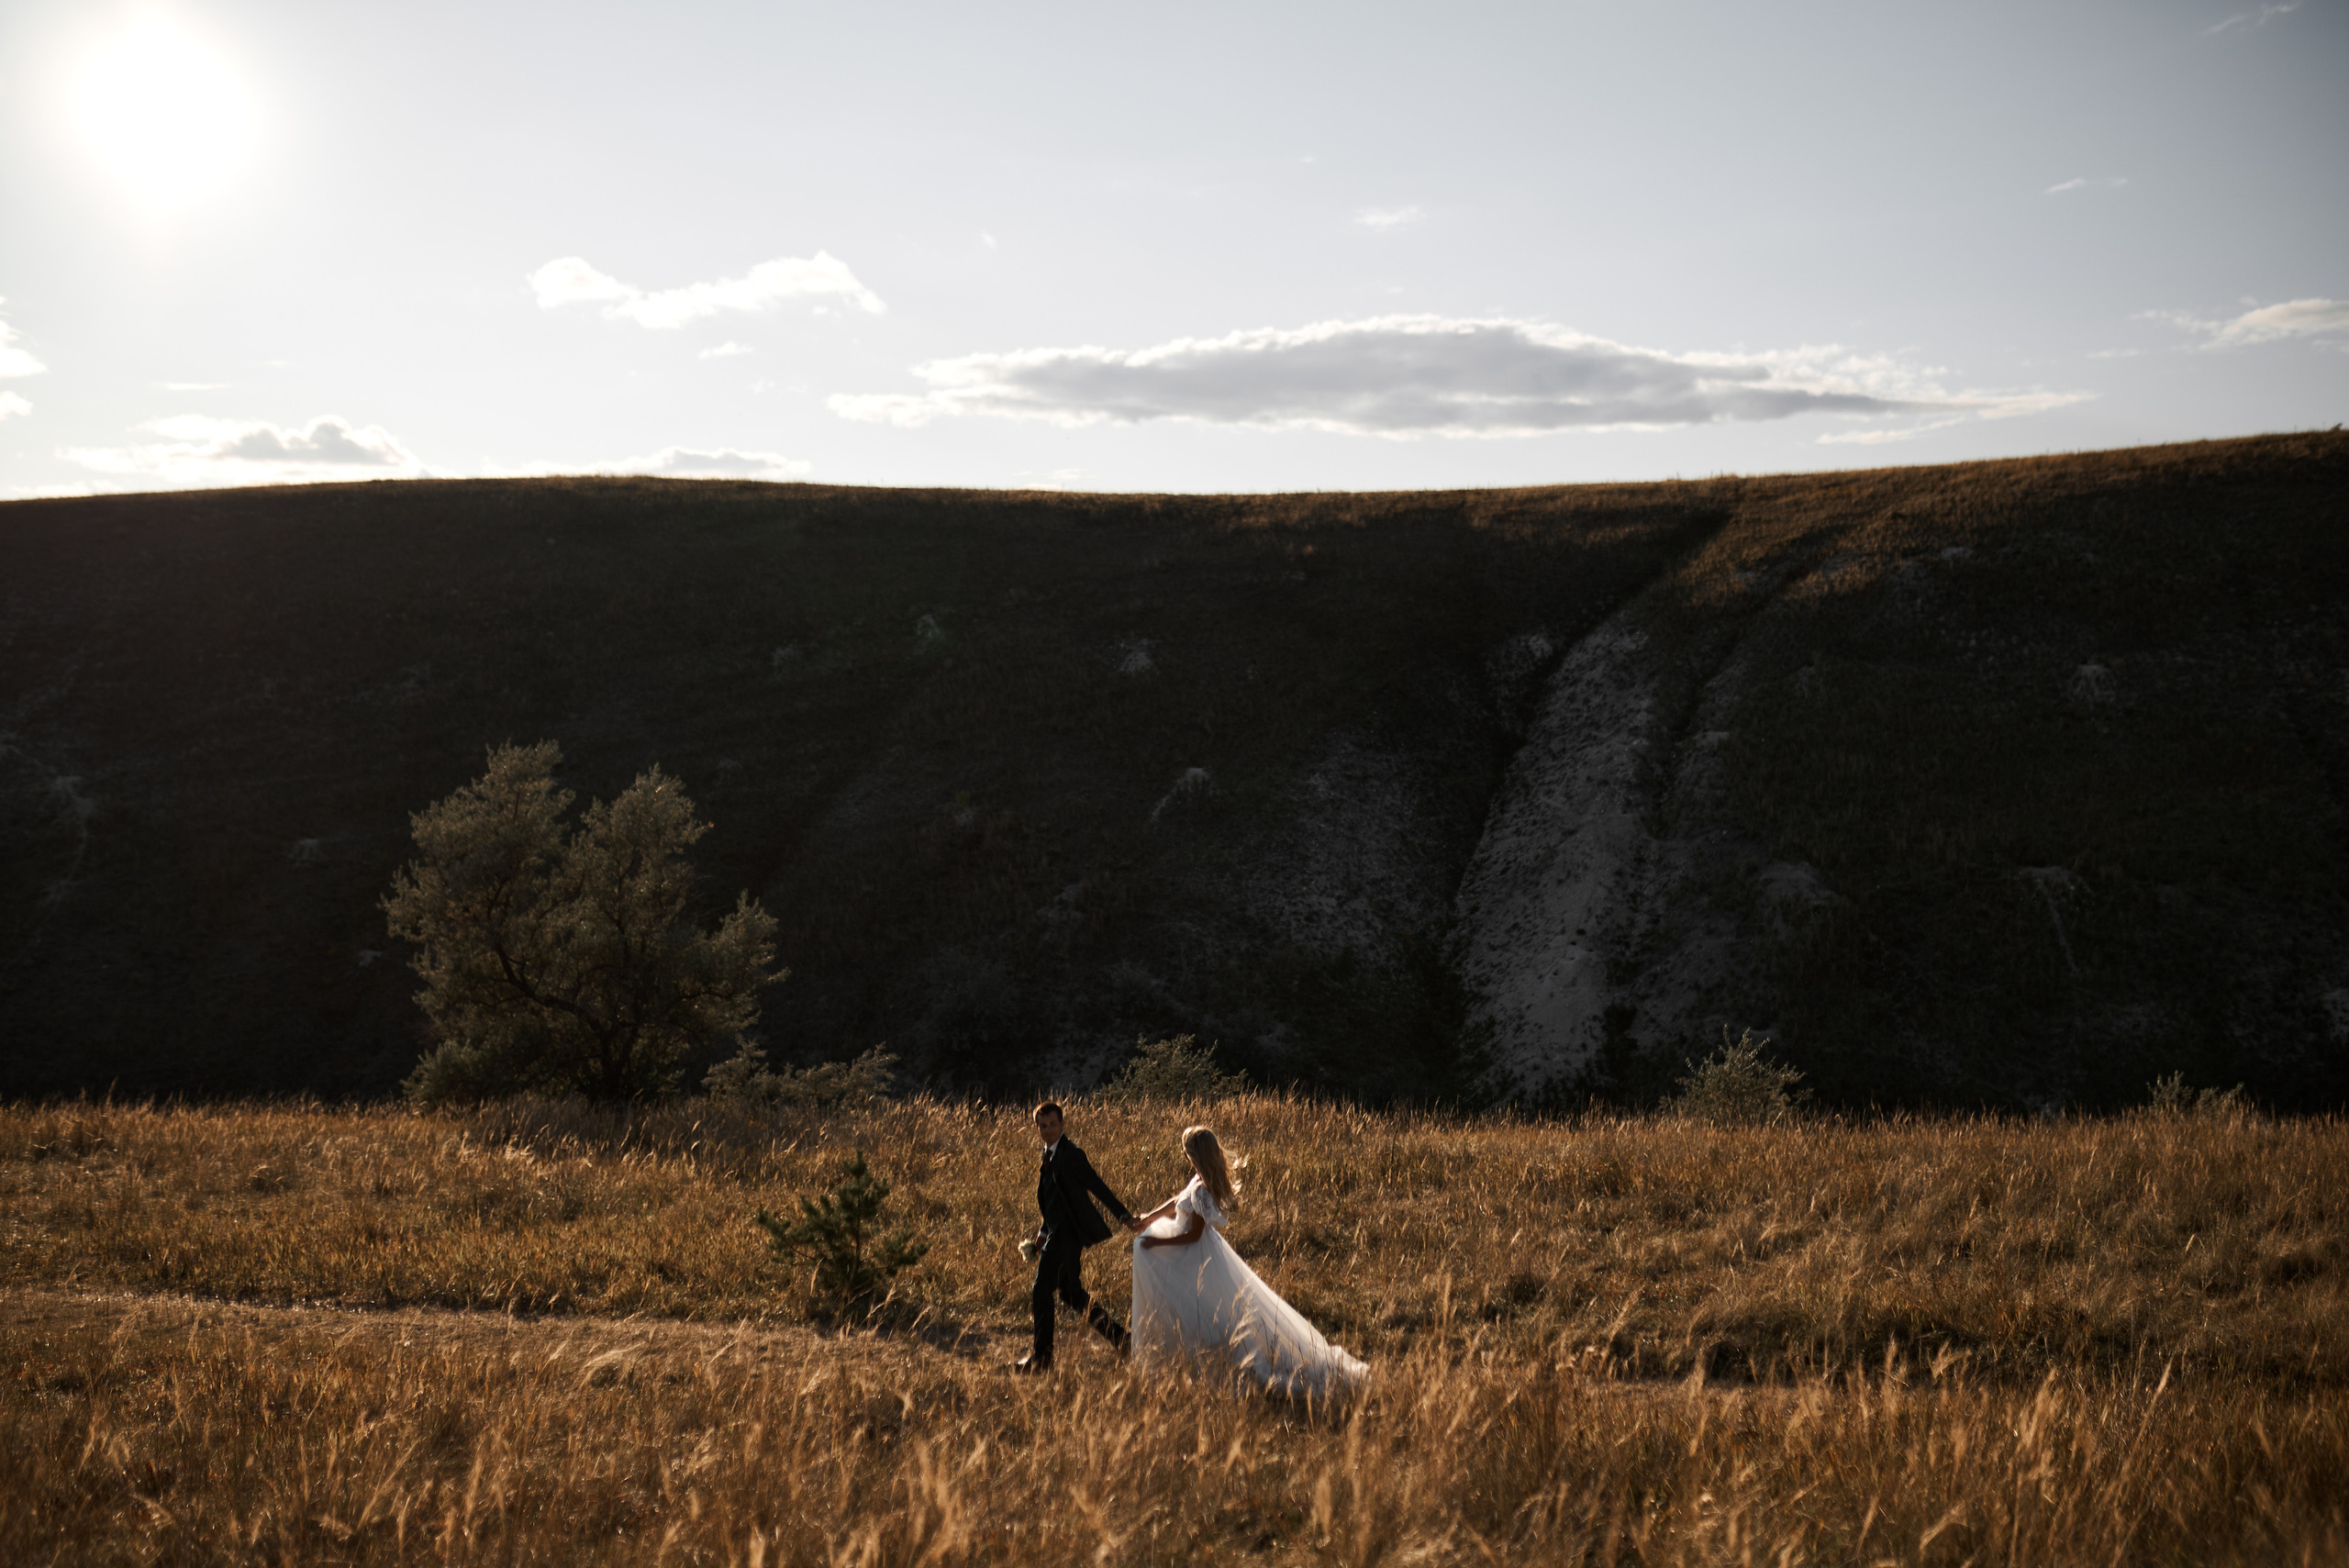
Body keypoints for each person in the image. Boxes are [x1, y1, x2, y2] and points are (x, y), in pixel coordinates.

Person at [1130, 1125, 1369, 1397]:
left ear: (1193, 1155)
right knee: (1195, 1308)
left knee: (1208, 1312)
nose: (1184, 1156)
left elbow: (1193, 1235)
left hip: (1194, 1254)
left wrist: (1156, 1243)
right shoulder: (1198, 1180)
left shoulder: (1202, 1191)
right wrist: (1150, 1217)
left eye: (1186, 1152)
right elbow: (1177, 1201)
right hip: (1192, 1251)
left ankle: (1234, 1363)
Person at [1015, 1101, 1142, 1374]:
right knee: (1071, 1294)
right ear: (1037, 1128)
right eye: (1043, 1126)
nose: (1048, 1130)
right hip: (1057, 1233)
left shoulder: (1071, 1154)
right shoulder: (1048, 1153)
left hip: (1067, 1235)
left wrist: (1124, 1216)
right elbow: (1054, 1200)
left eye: (1053, 1124)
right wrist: (1043, 1233)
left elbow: (1097, 1186)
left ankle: (1042, 1359)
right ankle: (1123, 1340)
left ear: (1062, 1125)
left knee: (1041, 1290)